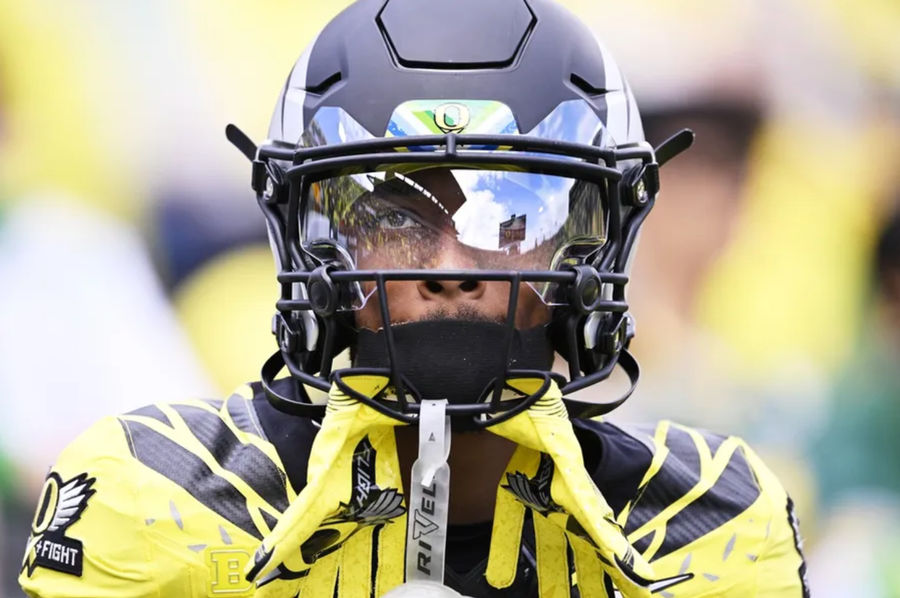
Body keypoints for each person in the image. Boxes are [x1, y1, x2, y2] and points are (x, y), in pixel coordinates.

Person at [18, 0, 809, 596]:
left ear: (592, 245)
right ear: (311, 240)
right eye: (391, 216)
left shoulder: (711, 530)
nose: (450, 263)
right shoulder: (155, 503)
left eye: (511, 210)